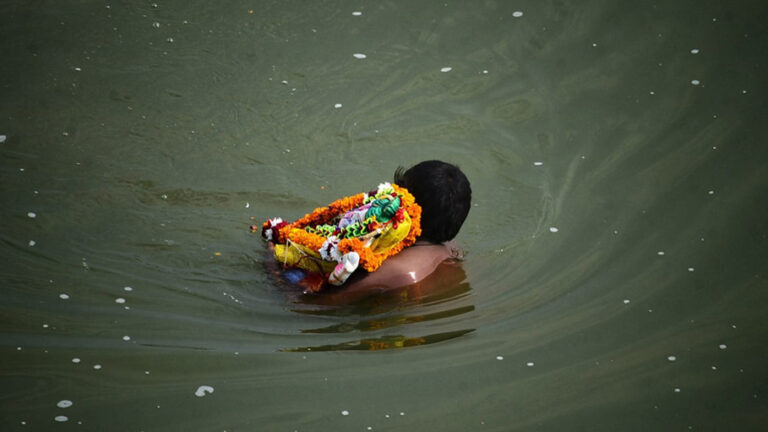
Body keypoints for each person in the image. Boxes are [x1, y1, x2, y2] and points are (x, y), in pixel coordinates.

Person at [339, 160, 472, 292]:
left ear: (408, 207)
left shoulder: (396, 271)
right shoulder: (451, 247)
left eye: (397, 192)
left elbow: (324, 302)